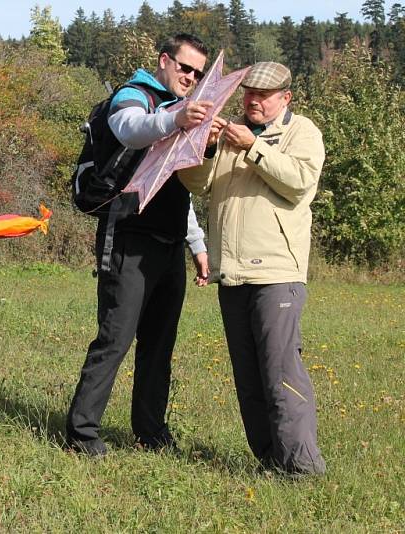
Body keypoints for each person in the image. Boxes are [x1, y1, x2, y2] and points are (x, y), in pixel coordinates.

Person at [66, 34, 212, 457]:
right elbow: (129, 131)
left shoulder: (180, 111)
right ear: (164, 60)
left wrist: (197, 244)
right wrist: (177, 118)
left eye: (198, 73)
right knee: (115, 338)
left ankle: (150, 432)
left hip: (168, 245)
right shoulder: (136, 95)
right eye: (185, 67)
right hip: (128, 237)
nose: (191, 77)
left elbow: (170, 184)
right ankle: (82, 434)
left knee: (159, 343)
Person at [178, 61, 327, 475]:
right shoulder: (229, 133)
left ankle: (303, 468)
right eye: (248, 94)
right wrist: (205, 148)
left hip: (278, 273)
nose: (253, 101)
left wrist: (252, 147)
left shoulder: (303, 133)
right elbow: (196, 184)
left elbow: (299, 182)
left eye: (263, 95)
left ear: (286, 98)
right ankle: (270, 462)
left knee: (281, 373)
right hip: (232, 273)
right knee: (249, 379)